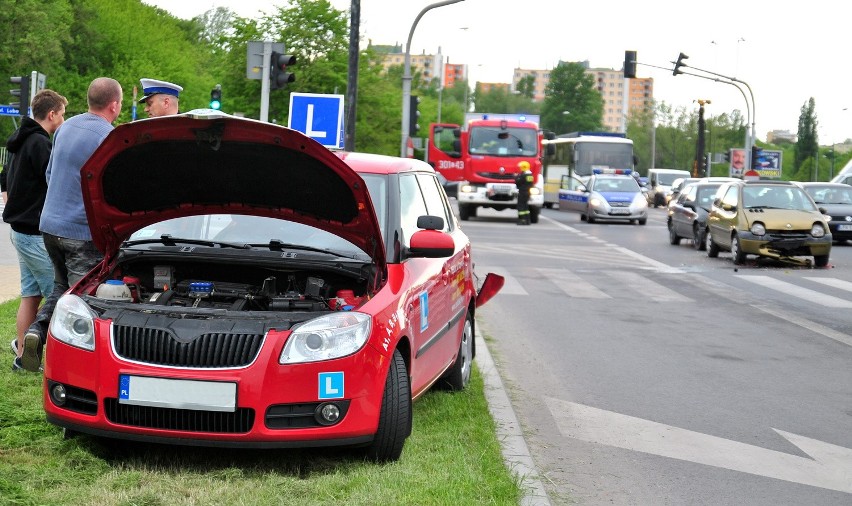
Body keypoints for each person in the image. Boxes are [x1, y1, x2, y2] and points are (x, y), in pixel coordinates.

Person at [20, 77, 123, 372]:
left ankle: (36, 332)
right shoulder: (110, 138)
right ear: (115, 105)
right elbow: (111, 190)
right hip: (80, 232)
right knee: (81, 299)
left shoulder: (65, 128)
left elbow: (51, 174)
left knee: (61, 287)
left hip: (50, 225)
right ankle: (73, 366)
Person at [1, 90, 67, 371]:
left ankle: (22, 355)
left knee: (30, 294)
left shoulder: (20, 139)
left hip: (20, 230)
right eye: (62, 113)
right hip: (33, 233)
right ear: (51, 114)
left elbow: (4, 177)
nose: (64, 118)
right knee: (59, 296)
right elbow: (54, 183)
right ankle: (56, 358)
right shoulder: (40, 143)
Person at [515, 161, 534, 225]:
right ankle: (527, 221)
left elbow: (518, 182)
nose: (520, 168)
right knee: (526, 207)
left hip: (522, 193)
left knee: (521, 206)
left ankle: (522, 220)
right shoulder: (530, 175)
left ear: (523, 167)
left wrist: (516, 176)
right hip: (528, 193)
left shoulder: (523, 175)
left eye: (521, 167)